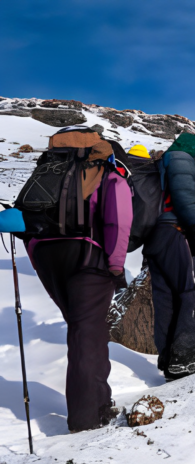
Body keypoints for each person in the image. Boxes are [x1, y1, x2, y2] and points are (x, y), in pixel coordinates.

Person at [27, 136, 133, 432]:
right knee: (88, 333)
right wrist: (115, 264)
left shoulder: (49, 174)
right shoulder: (109, 176)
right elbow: (118, 221)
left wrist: (39, 259)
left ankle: (99, 400)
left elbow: (31, 222)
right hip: (88, 256)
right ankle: (89, 416)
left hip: (49, 257)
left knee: (81, 329)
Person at [143, 131, 195, 380]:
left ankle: (168, 360)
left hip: (155, 237)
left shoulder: (161, 162)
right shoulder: (181, 157)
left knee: (167, 299)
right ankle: (184, 356)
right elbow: (184, 196)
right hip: (174, 232)